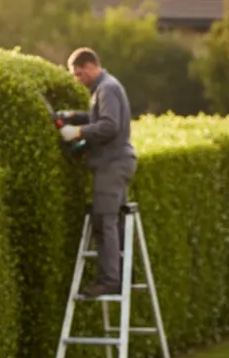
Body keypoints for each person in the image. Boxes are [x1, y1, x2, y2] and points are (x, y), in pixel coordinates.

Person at [62, 47, 138, 298]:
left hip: (112, 164)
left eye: (79, 74)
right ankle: (125, 273)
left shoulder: (107, 88)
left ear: (91, 66)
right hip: (117, 163)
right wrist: (74, 117)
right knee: (114, 221)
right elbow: (98, 116)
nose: (78, 79)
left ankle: (110, 280)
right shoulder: (105, 89)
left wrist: (78, 133)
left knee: (104, 219)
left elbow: (109, 125)